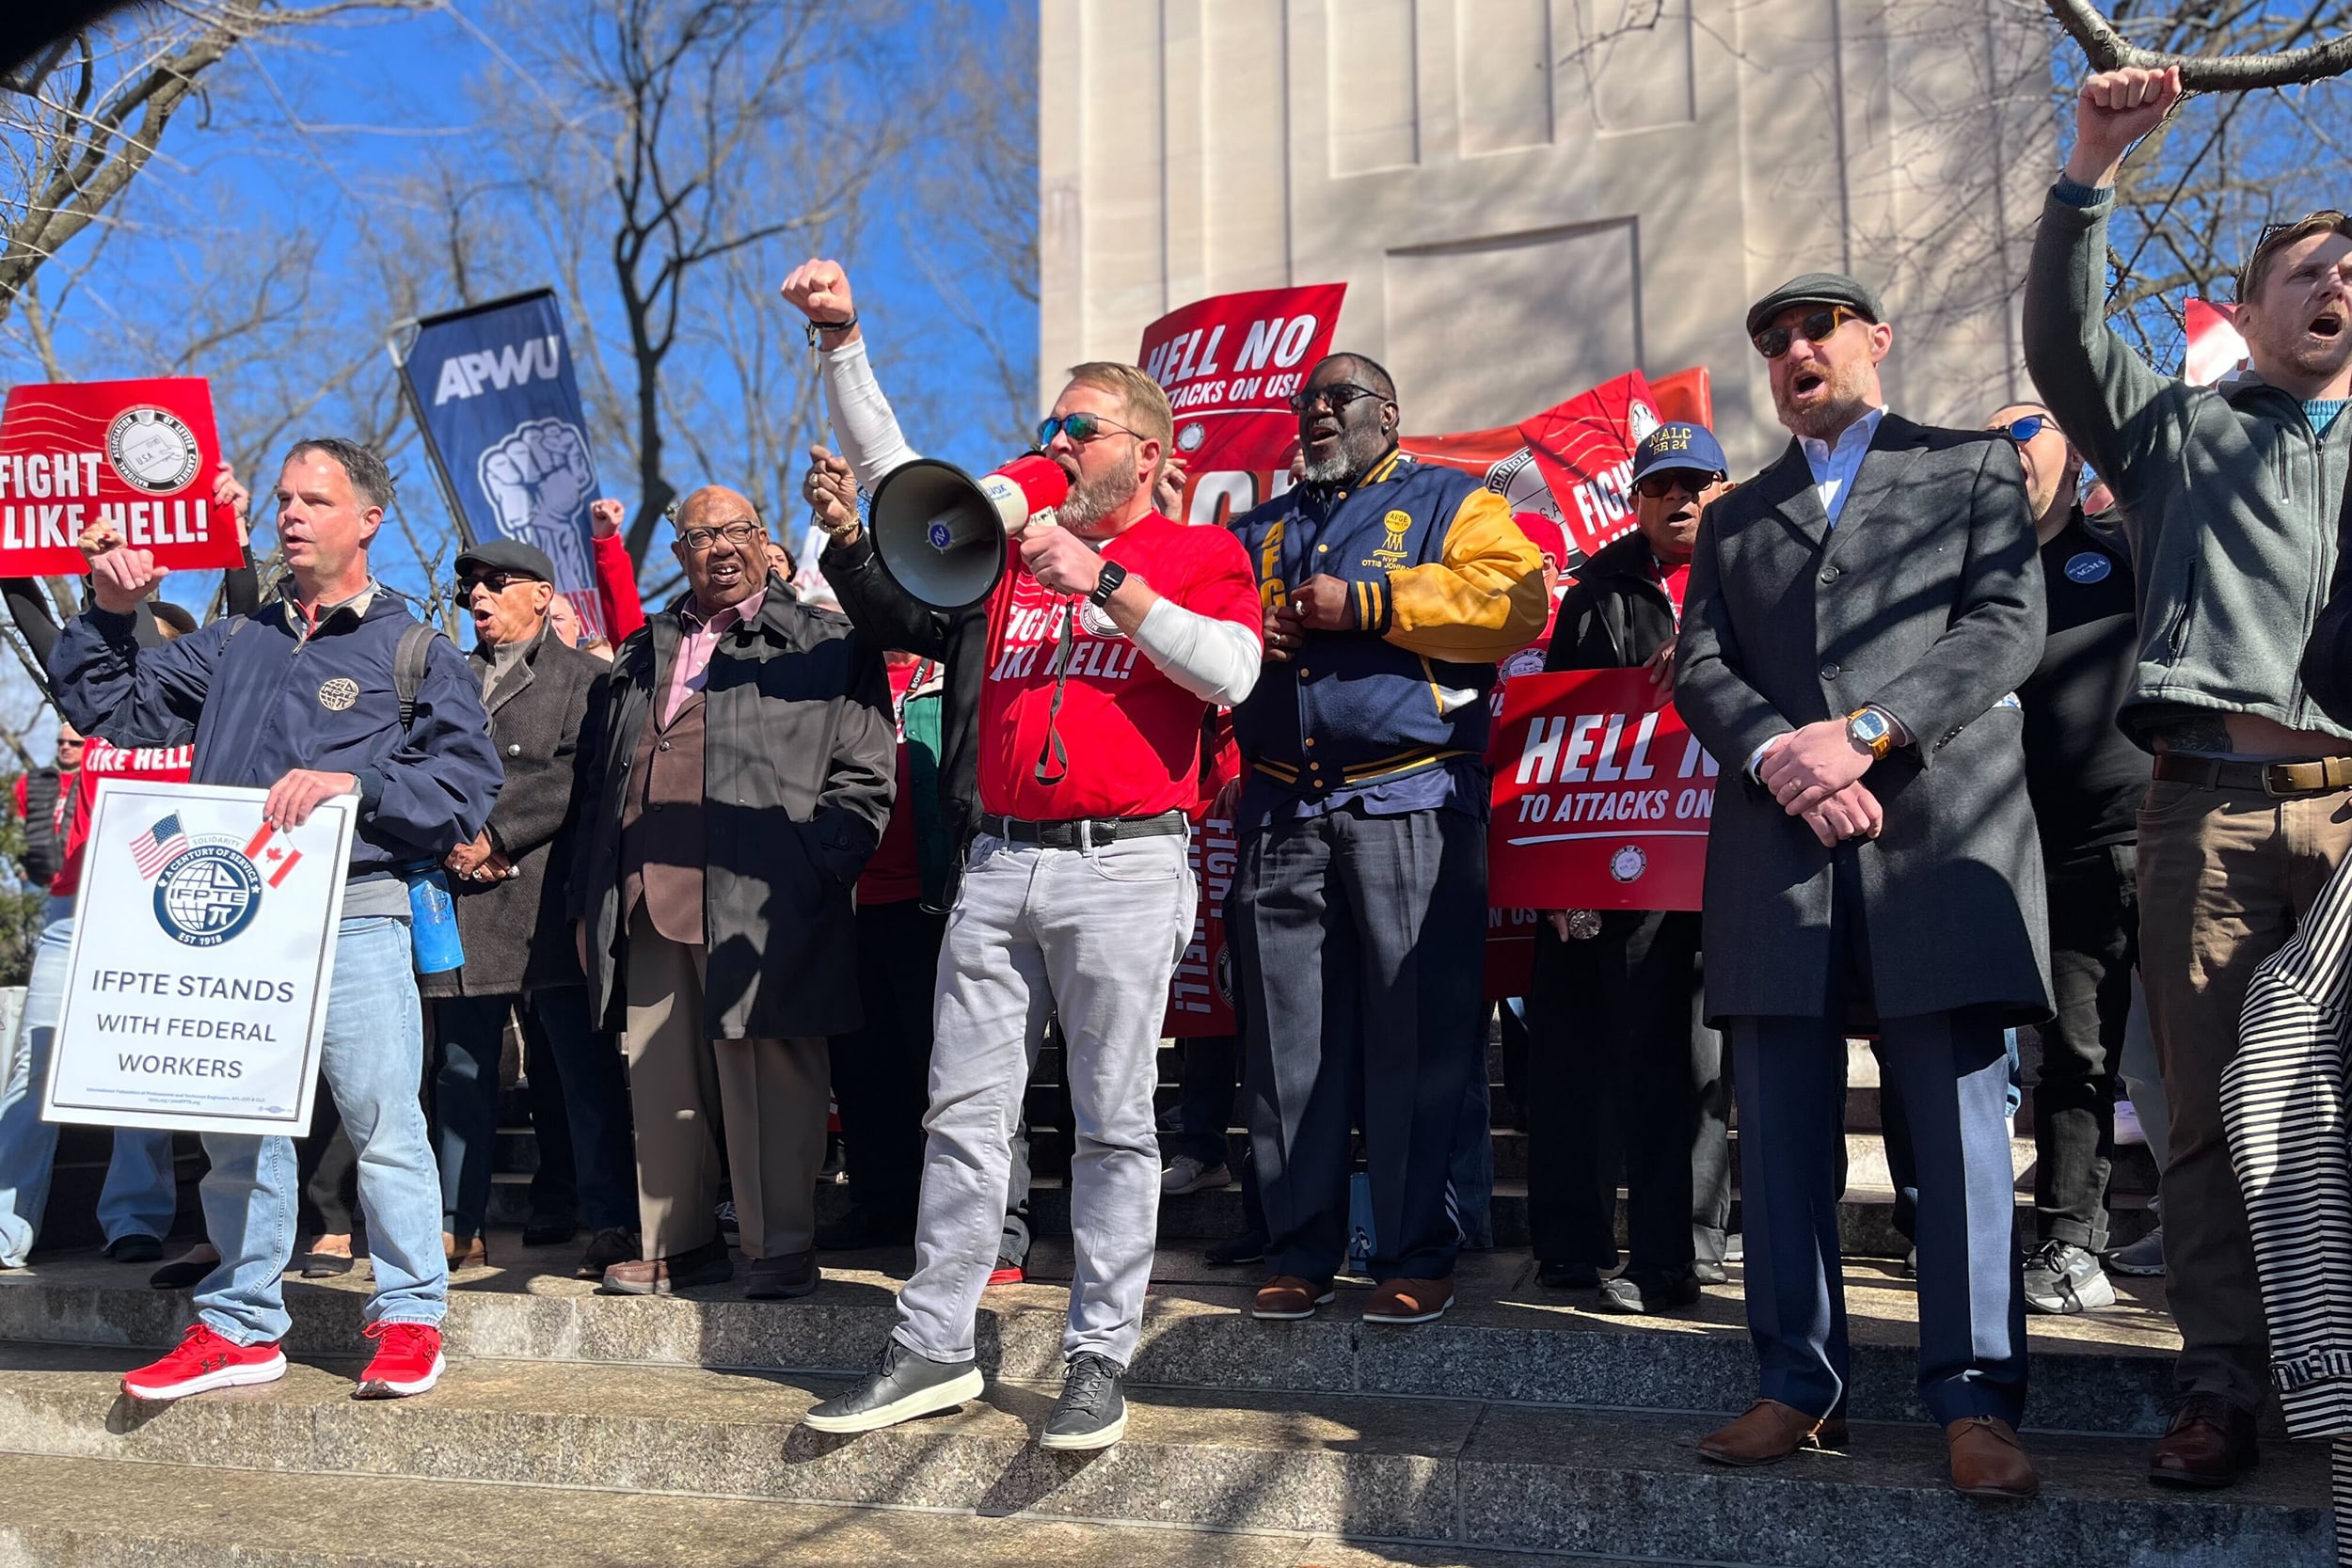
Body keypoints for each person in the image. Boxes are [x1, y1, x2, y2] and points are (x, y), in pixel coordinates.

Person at [798, 331, 1262, 1449]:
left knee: (1111, 1121)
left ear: (1144, 454)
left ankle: (1099, 1353)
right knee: (961, 1114)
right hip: (1001, 858)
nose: (1054, 444)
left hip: (1127, 859)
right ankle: (936, 1341)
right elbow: (897, 481)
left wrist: (1107, 584)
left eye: (1078, 429)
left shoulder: (1197, 553)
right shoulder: (1002, 559)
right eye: (1049, 428)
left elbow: (1233, 671)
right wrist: (845, 345)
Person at [2024, 64, 2352, 1487]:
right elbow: (2065, 343)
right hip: (2204, 810)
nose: (2337, 284)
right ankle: (2223, 1381)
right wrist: (2094, 164)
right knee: (2208, 1114)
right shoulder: (2178, 430)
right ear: (2257, 299)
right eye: (2308, 269)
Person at [1677, 274, 2049, 1500]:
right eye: (1773, 340)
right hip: (1779, 849)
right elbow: (1703, 668)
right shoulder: (1736, 519)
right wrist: (1789, 756)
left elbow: (2002, 626)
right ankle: (1798, 1382)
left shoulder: (1971, 468)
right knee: (1778, 1133)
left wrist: (1869, 730)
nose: (1794, 350)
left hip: (1936, 831)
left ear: (1875, 341)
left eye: (1816, 329)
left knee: (1955, 1136)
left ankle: (1976, 1397)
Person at [52, 436, 503, 1402]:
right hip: (231, 923)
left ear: (368, 519)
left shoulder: (415, 649)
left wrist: (361, 781)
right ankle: (240, 1321)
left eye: (314, 499)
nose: (290, 514)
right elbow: (117, 711)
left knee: (384, 1124)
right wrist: (113, 610)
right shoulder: (235, 639)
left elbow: (466, 784)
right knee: (233, 1134)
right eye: (284, 500)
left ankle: (413, 1312)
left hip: (355, 915)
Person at [1224, 352, 1546, 1329]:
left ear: (1388, 414)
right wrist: (1250, 629)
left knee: (1416, 1038)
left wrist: (1368, 604)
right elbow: (1200, 630)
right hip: (1280, 809)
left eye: (1338, 398)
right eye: (1305, 401)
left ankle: (1415, 1252)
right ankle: (1299, 1247)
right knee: (1289, 1049)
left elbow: (1515, 603)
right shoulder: (1255, 528)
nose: (1315, 412)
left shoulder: (1454, 502)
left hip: (1407, 799)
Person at [785, 257, 1063, 1284]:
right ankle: (891, 1205)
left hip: (962, 882)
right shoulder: (887, 647)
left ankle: (1003, 1232)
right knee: (881, 1067)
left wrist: (845, 342)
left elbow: (900, 471)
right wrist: (837, 341)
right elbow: (895, 493)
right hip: (873, 894)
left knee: (975, 1068)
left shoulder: (984, 631)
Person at [568, 483, 893, 1301]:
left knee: (770, 1073)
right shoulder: (646, 649)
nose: (719, 546)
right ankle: (678, 1243)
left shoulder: (824, 641)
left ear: (763, 539)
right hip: (648, 891)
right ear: (677, 552)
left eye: (737, 530)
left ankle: (777, 1243)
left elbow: (865, 771)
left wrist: (818, 869)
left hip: (765, 897)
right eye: (699, 535)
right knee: (661, 1077)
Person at [1528, 421, 1731, 1314]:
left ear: (1724, 490)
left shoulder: (1763, 577)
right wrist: (1564, 882)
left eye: (1696, 483)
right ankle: (1574, 1246)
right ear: (1636, 499)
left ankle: (1681, 1249)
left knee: (1694, 1064)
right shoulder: (1595, 593)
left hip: (1735, 852)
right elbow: (1563, 737)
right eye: (1660, 486)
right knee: (1585, 1054)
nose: (1679, 499)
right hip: (1624, 861)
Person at [421, 537, 634, 1281]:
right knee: (461, 1068)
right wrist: (455, 839)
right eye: (469, 588)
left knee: (582, 1069)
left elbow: (579, 774)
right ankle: (457, 1222)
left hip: (550, 897)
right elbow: (420, 766)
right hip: (460, 901)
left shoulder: (590, 678)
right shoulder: (445, 677)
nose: (477, 597)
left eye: (495, 584)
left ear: (542, 594)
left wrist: (498, 833)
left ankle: (611, 1218)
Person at [1985, 402, 2148, 1315]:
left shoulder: (2126, 552)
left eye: (2025, 431)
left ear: (2072, 450)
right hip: (2048, 851)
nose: (2005, 452)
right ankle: (2072, 1241)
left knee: (2187, 1061)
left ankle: (2221, 1234)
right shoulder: (1974, 583)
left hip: (2158, 833)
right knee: (2075, 1054)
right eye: (1990, 438)